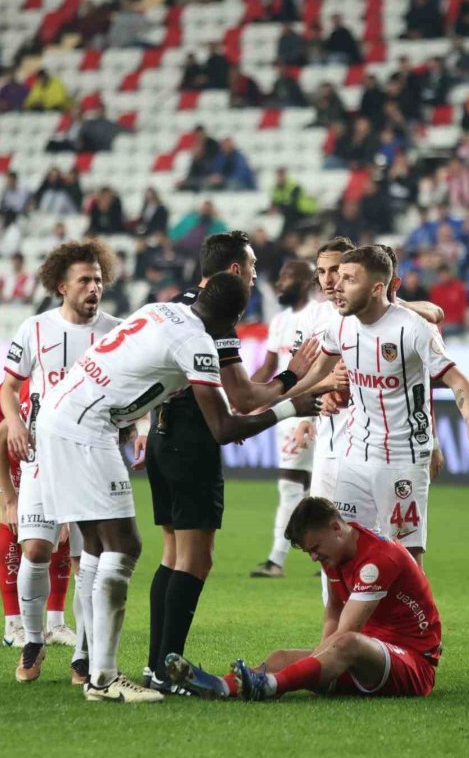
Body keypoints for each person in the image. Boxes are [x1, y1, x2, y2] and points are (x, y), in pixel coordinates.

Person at [35, 272, 321, 703]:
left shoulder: (159, 308)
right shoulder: (198, 343)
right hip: (87, 427)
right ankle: (104, 678)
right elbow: (224, 427)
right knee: (124, 546)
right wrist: (291, 406)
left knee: (97, 546)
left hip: (64, 411)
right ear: (236, 317)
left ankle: (95, 669)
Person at [145, 234, 320, 693]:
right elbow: (241, 399)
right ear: (235, 271)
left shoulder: (178, 303)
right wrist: (292, 379)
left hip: (161, 435)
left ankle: (155, 664)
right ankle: (169, 668)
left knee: (172, 555)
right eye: (254, 263)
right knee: (196, 560)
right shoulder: (215, 317)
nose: (259, 271)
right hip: (190, 439)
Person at [291, 247, 469, 566]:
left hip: (402, 458)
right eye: (336, 277)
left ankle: (415, 617)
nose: (336, 285)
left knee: (405, 555)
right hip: (355, 454)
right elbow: (313, 375)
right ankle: (341, 618)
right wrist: (269, 400)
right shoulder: (339, 327)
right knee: (342, 545)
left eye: (348, 279)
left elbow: (457, 380)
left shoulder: (413, 329)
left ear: (378, 288)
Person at [166, 497, 442, 701]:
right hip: (367, 658)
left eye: (315, 548)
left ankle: (269, 686)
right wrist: (323, 660)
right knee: (281, 656)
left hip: (412, 664)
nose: (313, 557)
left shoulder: (378, 560)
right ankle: (219, 685)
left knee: (346, 642)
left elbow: (347, 632)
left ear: (336, 527)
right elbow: (334, 609)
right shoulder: (335, 552)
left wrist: (324, 659)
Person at [0, 239, 122, 685]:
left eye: (99, 279)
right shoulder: (34, 329)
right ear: (61, 286)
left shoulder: (116, 331)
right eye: (85, 280)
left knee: (91, 556)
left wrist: (137, 426)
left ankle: (84, 656)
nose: (94, 287)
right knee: (35, 549)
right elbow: (10, 389)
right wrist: (14, 423)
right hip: (40, 457)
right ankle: (33, 640)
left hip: (92, 457)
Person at [0, 380, 74, 648]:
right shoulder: (31, 397)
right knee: (13, 520)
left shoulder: (74, 390)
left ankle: (55, 623)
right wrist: (9, 500)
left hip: (46, 445)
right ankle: (13, 625)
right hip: (4, 434)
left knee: (62, 524)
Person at [249, 261, 321, 577]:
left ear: (307, 282)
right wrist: (243, 397)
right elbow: (268, 368)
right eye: (279, 276)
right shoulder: (279, 320)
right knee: (300, 487)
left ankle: (282, 560)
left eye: (287, 276)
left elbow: (324, 365)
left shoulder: (321, 315)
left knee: (307, 485)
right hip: (288, 409)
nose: (279, 283)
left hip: (314, 407)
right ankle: (284, 558)